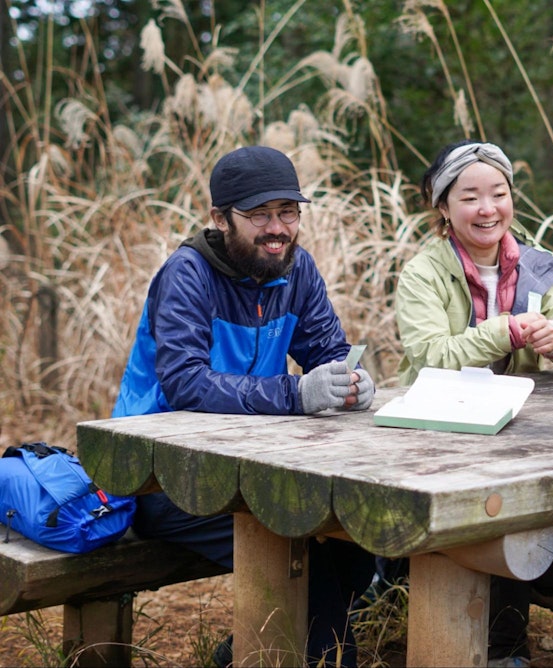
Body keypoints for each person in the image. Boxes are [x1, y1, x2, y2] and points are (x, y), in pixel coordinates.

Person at [112, 145, 376, 667]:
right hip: (163, 474)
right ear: (220, 218)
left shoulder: (296, 270)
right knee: (312, 569)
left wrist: (353, 379)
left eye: (288, 212)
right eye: (258, 215)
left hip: (254, 464)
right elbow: (186, 383)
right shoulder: (187, 275)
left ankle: (246, 652)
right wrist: (296, 394)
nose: (277, 228)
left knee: (355, 548)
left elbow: (328, 352)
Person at [391, 140, 553, 666]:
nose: (487, 208)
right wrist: (505, 331)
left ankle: (508, 638)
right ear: (443, 207)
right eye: (470, 196)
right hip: (435, 434)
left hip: (514, 430)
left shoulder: (540, 266)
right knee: (499, 515)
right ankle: (541, 593)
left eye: (498, 193)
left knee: (514, 505)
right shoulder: (423, 273)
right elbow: (431, 356)